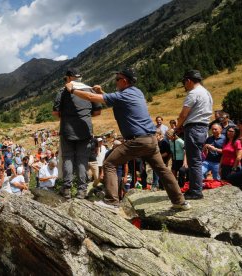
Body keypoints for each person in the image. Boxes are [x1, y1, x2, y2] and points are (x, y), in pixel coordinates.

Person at [67, 67, 189, 212]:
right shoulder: (136, 92)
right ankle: (180, 201)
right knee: (162, 170)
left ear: (124, 81)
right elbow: (114, 101)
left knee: (109, 164)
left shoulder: (122, 95)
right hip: (150, 140)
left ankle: (112, 202)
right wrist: (101, 92)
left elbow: (92, 99)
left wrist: (72, 90)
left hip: (137, 140)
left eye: (117, 79)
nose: (116, 82)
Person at [52, 68, 102, 199]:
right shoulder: (90, 90)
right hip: (85, 131)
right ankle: (81, 190)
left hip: (67, 130)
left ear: (69, 78)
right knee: (82, 160)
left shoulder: (62, 92)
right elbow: (97, 112)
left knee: (67, 158)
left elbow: (55, 113)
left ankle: (67, 189)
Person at [176, 70, 213, 200]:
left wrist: (177, 127)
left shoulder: (193, 93)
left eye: (184, 83)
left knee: (194, 161)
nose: (184, 86)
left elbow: (183, 114)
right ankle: (195, 188)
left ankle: (195, 190)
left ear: (189, 81)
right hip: (202, 128)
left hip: (193, 128)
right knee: (196, 159)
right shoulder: (206, 93)